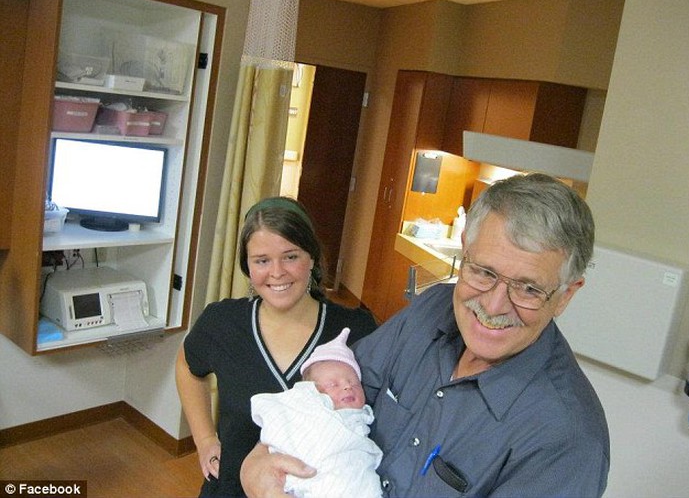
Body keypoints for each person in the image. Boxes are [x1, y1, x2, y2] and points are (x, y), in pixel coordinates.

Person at [241, 173, 611, 497]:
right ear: (465, 250)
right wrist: (258, 464)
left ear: (565, 295)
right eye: (483, 272)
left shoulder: (568, 442)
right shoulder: (433, 309)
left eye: (528, 289)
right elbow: (329, 399)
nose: (495, 306)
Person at [175, 196, 376, 497]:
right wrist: (204, 440)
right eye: (262, 260)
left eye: (291, 256)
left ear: (312, 258)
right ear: (248, 266)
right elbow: (187, 366)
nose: (277, 272)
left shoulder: (356, 330)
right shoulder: (223, 323)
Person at [250, 327, 383, 498]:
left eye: (354, 383)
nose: (347, 386)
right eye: (333, 385)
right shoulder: (306, 411)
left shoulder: (362, 418)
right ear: (310, 392)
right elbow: (280, 426)